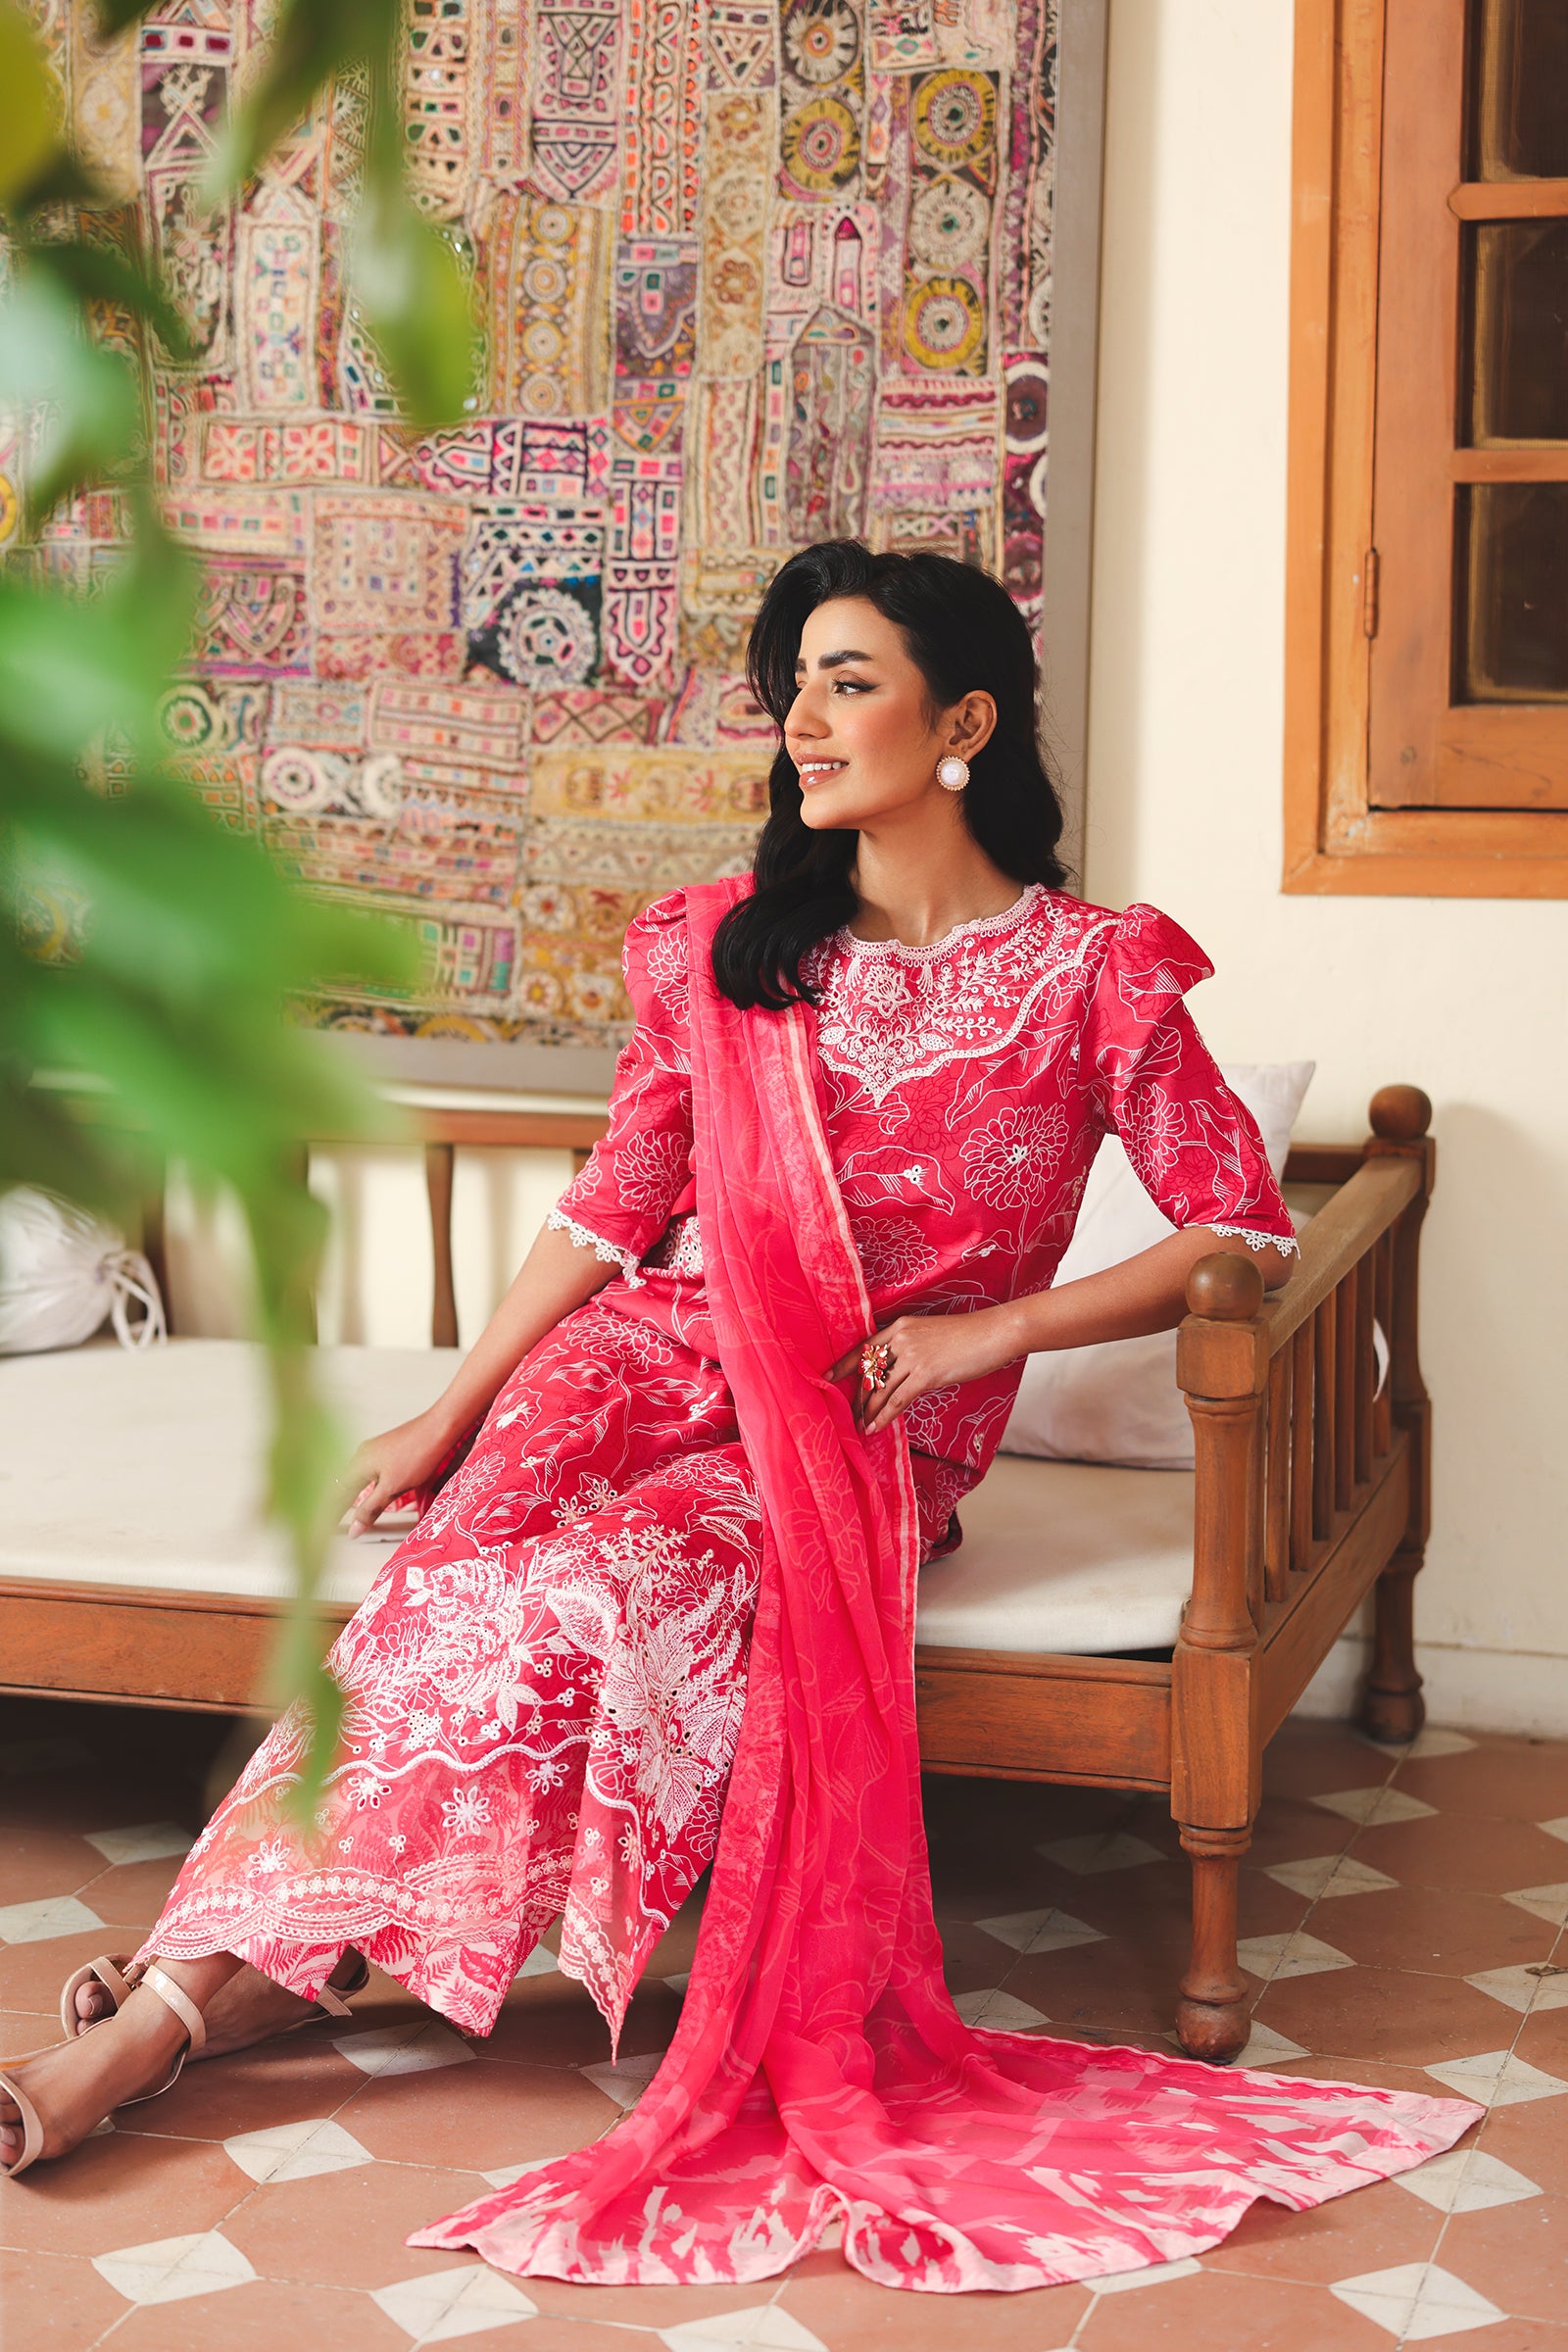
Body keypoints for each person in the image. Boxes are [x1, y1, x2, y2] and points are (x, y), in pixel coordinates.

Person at [1, 543, 1478, 2293]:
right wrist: (453, 1414)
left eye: (849, 683)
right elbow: (615, 1206)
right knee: (442, 1600)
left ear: (965, 724)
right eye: (795, 689)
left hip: (857, 1427)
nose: (803, 722)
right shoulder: (731, 949)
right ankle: (199, 1993)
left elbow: (1237, 1228)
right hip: (638, 1359)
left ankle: (197, 2008)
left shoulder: (1096, 976)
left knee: (589, 1599)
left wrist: (991, 1329)